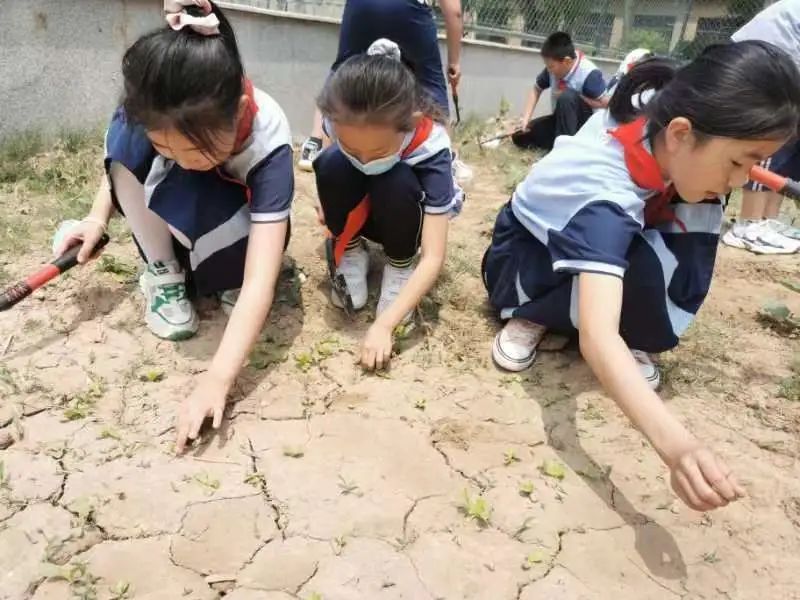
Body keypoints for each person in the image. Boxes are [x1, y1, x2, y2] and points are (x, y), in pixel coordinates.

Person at [483, 42, 800, 510]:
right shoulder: (603, 196)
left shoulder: (669, 112)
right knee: (601, 309)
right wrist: (679, 449)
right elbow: (598, 338)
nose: (740, 179)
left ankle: (597, 293)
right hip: (525, 256)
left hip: (618, 227)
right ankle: (534, 311)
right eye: (738, 162)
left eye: (754, 164)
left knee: (692, 222)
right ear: (680, 133)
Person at [55, 0, 294, 452]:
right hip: (185, 227)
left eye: (195, 151)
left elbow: (262, 278)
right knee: (126, 133)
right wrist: (95, 218)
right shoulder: (156, 119)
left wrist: (217, 379)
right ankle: (163, 272)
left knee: (222, 243)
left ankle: (219, 281)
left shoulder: (269, 139)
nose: (180, 162)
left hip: (239, 238)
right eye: (167, 150)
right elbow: (123, 167)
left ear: (239, 108)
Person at [314, 39, 461, 370]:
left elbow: (435, 255)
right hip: (360, 213)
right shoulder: (339, 120)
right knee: (333, 162)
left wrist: (384, 325)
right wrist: (331, 205)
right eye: (355, 148)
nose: (365, 159)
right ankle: (351, 250)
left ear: (410, 121)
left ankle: (398, 265)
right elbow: (329, 159)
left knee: (395, 179)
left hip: (403, 216)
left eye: (377, 152)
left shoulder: (431, 145)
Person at [297, 0, 473, 185]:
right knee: (430, 81)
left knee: (343, 69)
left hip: (361, 6)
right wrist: (454, 62)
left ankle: (316, 144)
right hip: (408, 9)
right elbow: (454, 12)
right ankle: (443, 161)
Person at [722, 0, 800, 254]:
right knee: (775, 128)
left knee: (790, 135)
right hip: (760, 60)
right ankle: (748, 224)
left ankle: (767, 221)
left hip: (781, 61)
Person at [512, 31, 608, 152]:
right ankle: (560, 143)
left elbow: (609, 104)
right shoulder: (553, 69)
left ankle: (564, 152)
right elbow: (536, 89)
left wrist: (581, 97)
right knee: (522, 136)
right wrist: (525, 119)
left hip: (586, 129)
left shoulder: (589, 74)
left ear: (567, 61)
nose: (548, 70)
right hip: (562, 122)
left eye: (551, 66)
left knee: (567, 97)